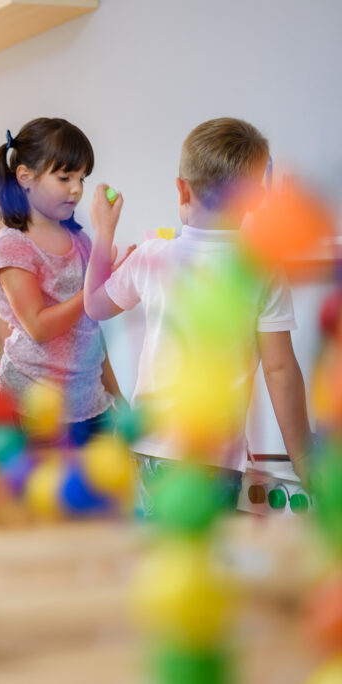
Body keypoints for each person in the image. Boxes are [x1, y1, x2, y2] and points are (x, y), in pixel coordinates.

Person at [83, 117, 310, 513]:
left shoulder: (153, 257)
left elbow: (95, 306)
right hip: (216, 458)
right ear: (256, 197)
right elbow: (280, 370)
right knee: (206, 563)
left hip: (151, 449)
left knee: (157, 561)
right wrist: (304, 458)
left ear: (182, 189)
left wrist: (104, 231)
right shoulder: (261, 268)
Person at [0, 118, 126, 445]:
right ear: (25, 177)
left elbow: (92, 325)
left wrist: (115, 392)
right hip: (32, 405)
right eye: (65, 177)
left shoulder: (80, 241)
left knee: (97, 495)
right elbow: (38, 325)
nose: (77, 189)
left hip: (89, 402)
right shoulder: (13, 244)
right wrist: (94, 287)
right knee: (41, 496)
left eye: (81, 178)